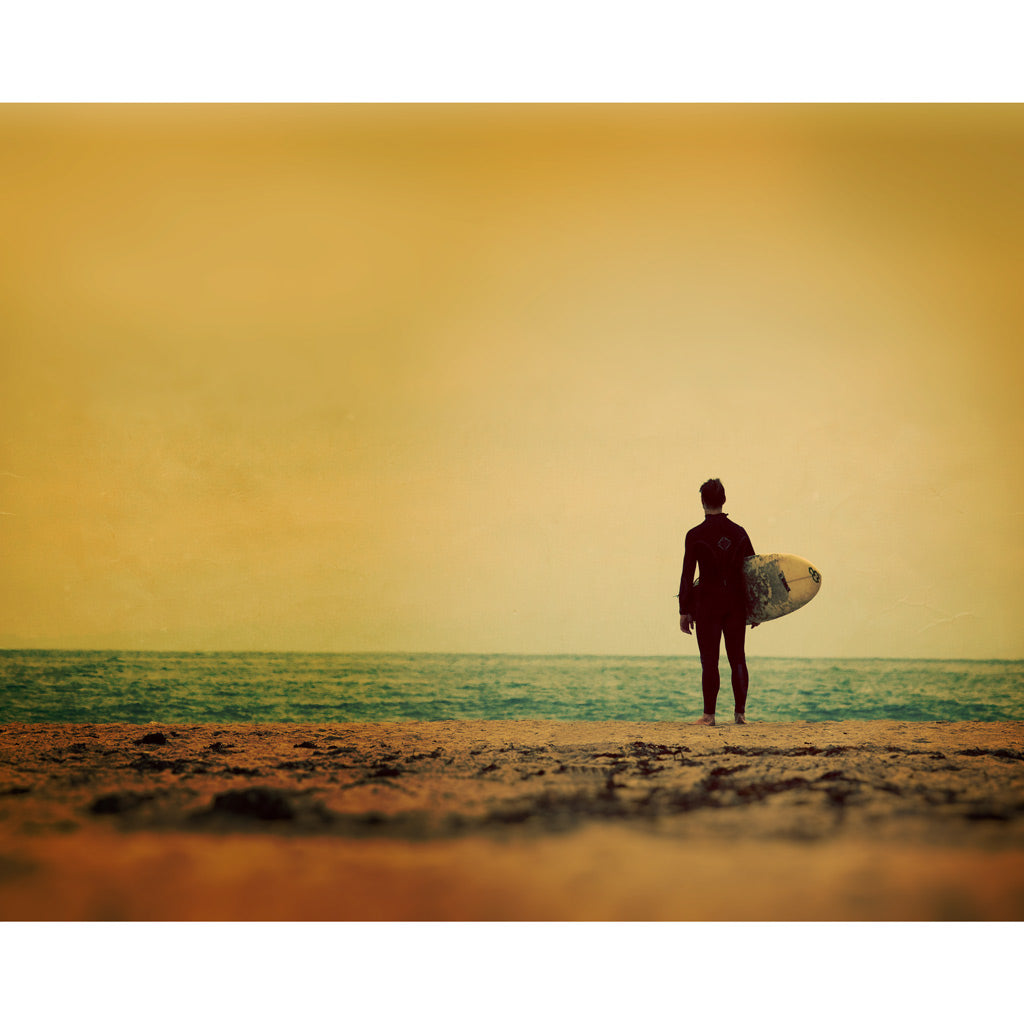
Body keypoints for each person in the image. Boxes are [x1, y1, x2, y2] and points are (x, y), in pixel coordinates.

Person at [677, 478, 756, 726]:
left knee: (709, 660)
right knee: (738, 659)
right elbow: (753, 570)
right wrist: (756, 609)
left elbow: (687, 574)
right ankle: (740, 715)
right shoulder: (739, 532)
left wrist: (684, 610)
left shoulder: (695, 535)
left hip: (708, 605)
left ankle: (709, 716)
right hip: (736, 605)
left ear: (703, 501)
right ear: (724, 500)